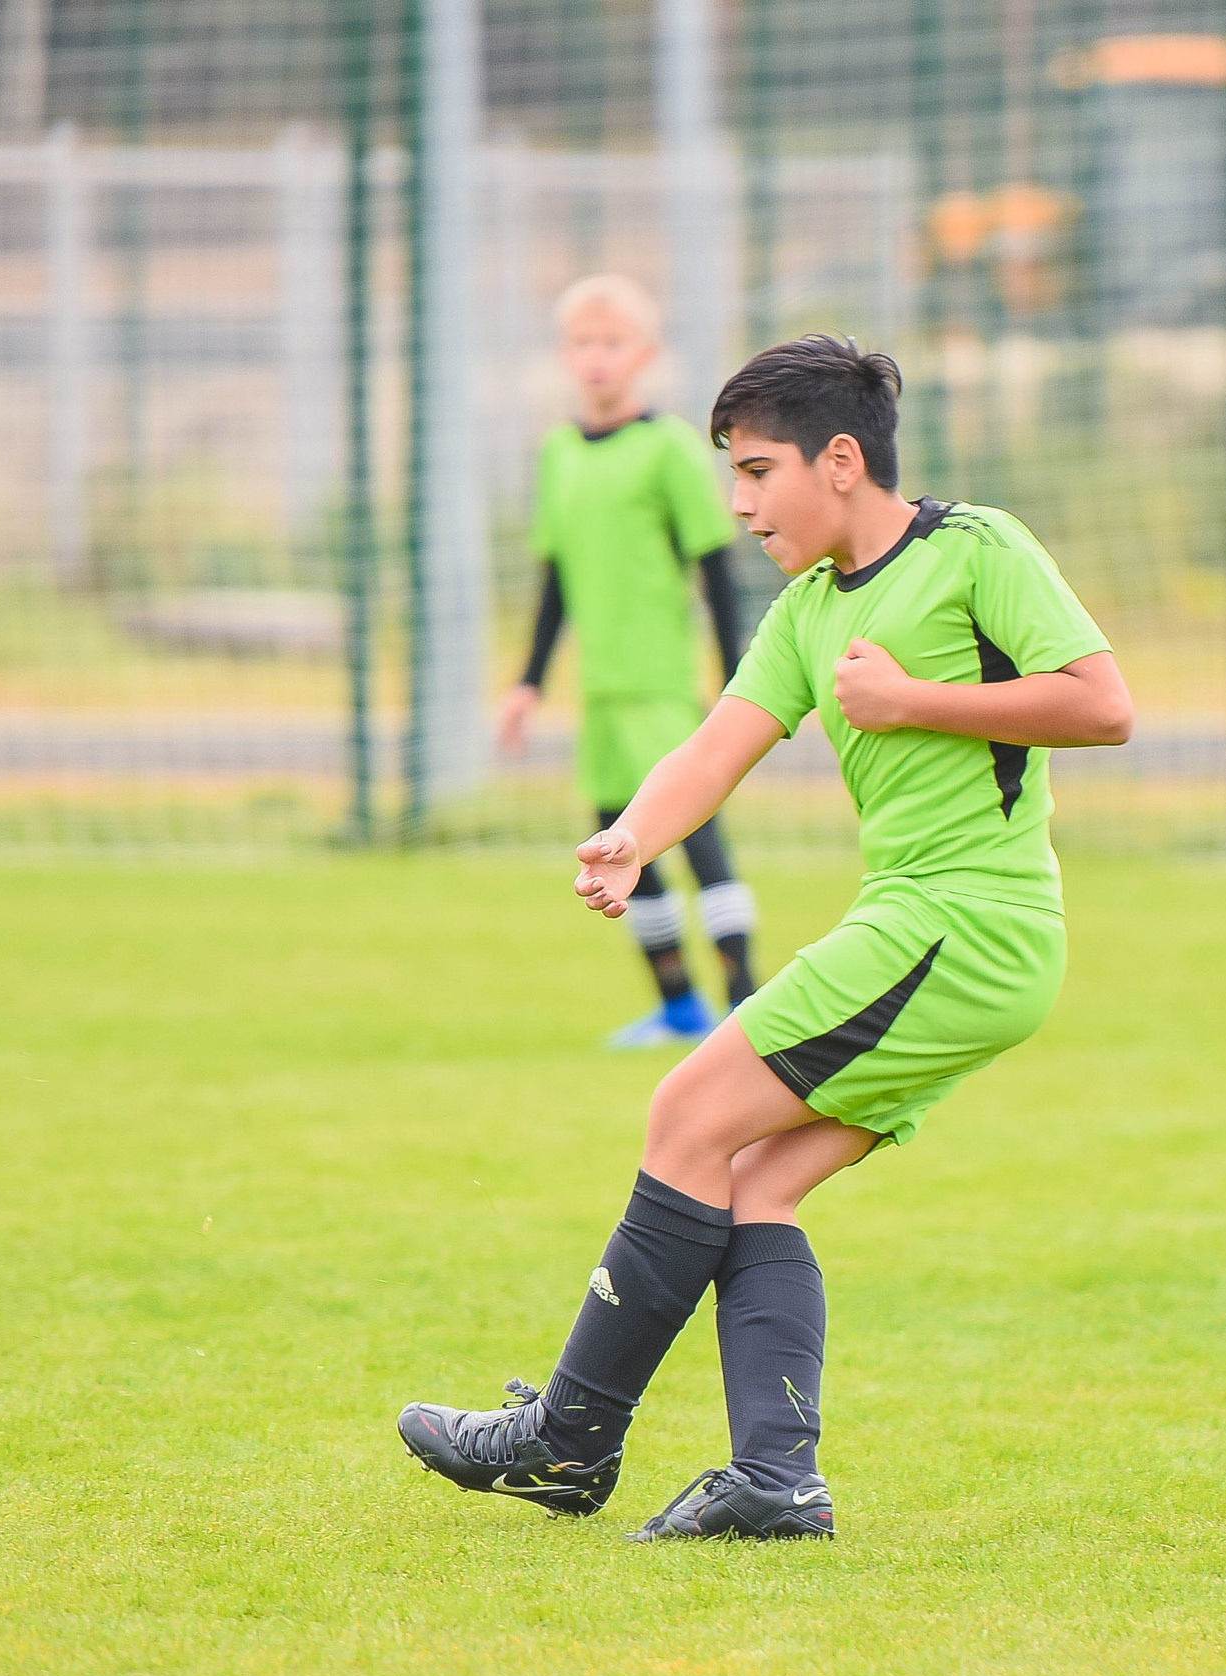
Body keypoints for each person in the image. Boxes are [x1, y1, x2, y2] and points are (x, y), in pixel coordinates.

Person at [399, 335, 1134, 1541]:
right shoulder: (806, 611)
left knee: (686, 1111)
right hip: (932, 928)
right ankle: (775, 1481)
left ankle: (566, 1440)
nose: (736, 502)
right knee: (751, 1178)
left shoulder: (976, 549)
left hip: (965, 920)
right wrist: (631, 836)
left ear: (840, 460)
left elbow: (1103, 703)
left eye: (755, 471)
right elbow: (714, 745)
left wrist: (913, 702)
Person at [501, 274, 759, 1049]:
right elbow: (556, 583)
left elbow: (716, 571)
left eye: (613, 343)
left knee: (696, 840)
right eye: (583, 343)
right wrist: (527, 682)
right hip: (603, 693)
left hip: (663, 686)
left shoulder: (671, 448)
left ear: (644, 355)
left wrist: (738, 678)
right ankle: (680, 1005)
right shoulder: (558, 454)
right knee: (614, 845)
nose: (597, 358)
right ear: (565, 356)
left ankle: (745, 1003)